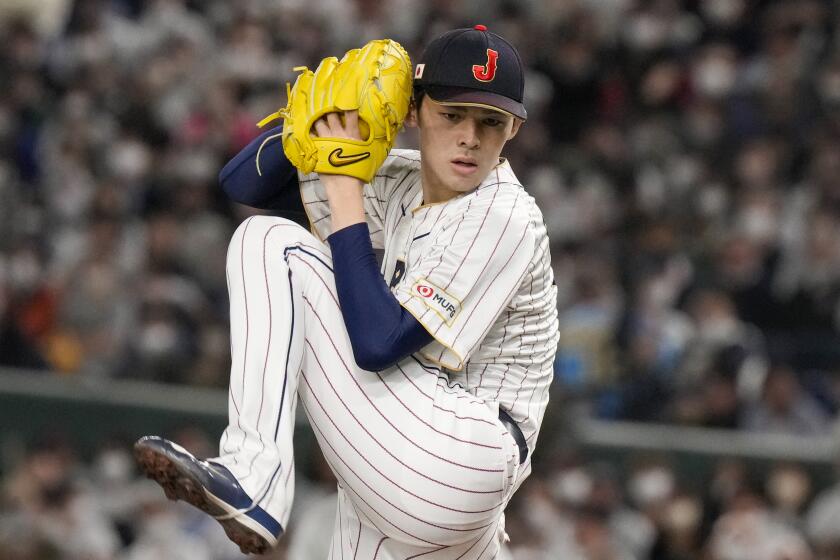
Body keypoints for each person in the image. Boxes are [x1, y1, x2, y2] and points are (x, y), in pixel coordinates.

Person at [134, 25, 559, 559]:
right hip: (406, 460)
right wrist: (321, 121)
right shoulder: (402, 181)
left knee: (271, 243)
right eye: (452, 115)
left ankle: (253, 475)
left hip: (459, 455)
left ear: (514, 128)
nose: (470, 137)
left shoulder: (502, 213)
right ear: (413, 110)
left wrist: (343, 184)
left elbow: (378, 344)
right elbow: (243, 184)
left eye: (490, 121)